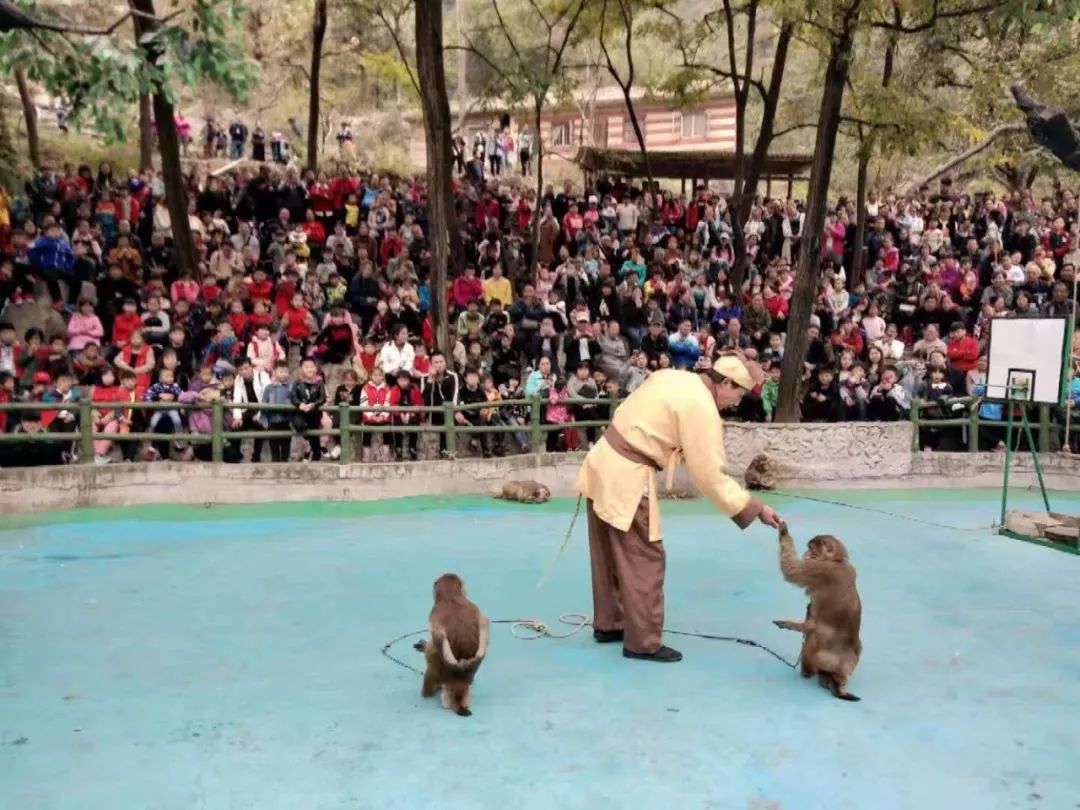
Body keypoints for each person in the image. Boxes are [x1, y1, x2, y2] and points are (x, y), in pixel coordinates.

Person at [574, 354, 782, 663]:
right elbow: (709, 476)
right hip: (627, 474)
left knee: (608, 549)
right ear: (725, 382)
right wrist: (755, 507)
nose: (736, 403)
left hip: (602, 457)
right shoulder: (702, 408)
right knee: (645, 555)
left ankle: (610, 622)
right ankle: (643, 642)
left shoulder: (675, 376)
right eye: (737, 394)